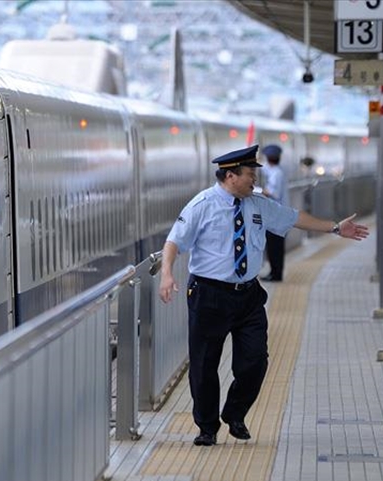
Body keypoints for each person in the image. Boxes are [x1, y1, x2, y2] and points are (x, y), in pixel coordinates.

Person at [158, 145, 368, 447]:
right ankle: (206, 427)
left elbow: (295, 217)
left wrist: (335, 228)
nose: (254, 181)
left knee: (255, 361)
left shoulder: (258, 205)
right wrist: (167, 273)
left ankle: (234, 412)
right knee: (204, 365)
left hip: (248, 296)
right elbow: (174, 242)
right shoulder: (201, 205)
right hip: (209, 295)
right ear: (230, 176)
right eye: (249, 175)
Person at [259, 144, 288, 281]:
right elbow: (263, 169)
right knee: (275, 247)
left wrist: (256, 190)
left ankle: (276, 275)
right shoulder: (276, 171)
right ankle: (275, 272)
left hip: (277, 217)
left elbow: (273, 193)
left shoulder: (277, 174)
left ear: (269, 158)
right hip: (278, 215)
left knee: (275, 247)